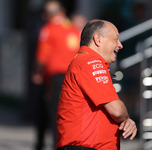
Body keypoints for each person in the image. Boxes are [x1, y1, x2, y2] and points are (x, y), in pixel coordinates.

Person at [56, 20, 137, 150]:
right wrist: (127, 118)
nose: (120, 45)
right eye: (116, 39)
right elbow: (117, 110)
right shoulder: (90, 61)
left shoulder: (85, 61)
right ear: (97, 40)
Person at [32, 0, 81, 149]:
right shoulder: (73, 28)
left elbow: (41, 57)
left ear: (47, 14)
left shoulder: (48, 29)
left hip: (55, 78)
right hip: (73, 77)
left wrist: (37, 73)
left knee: (54, 113)